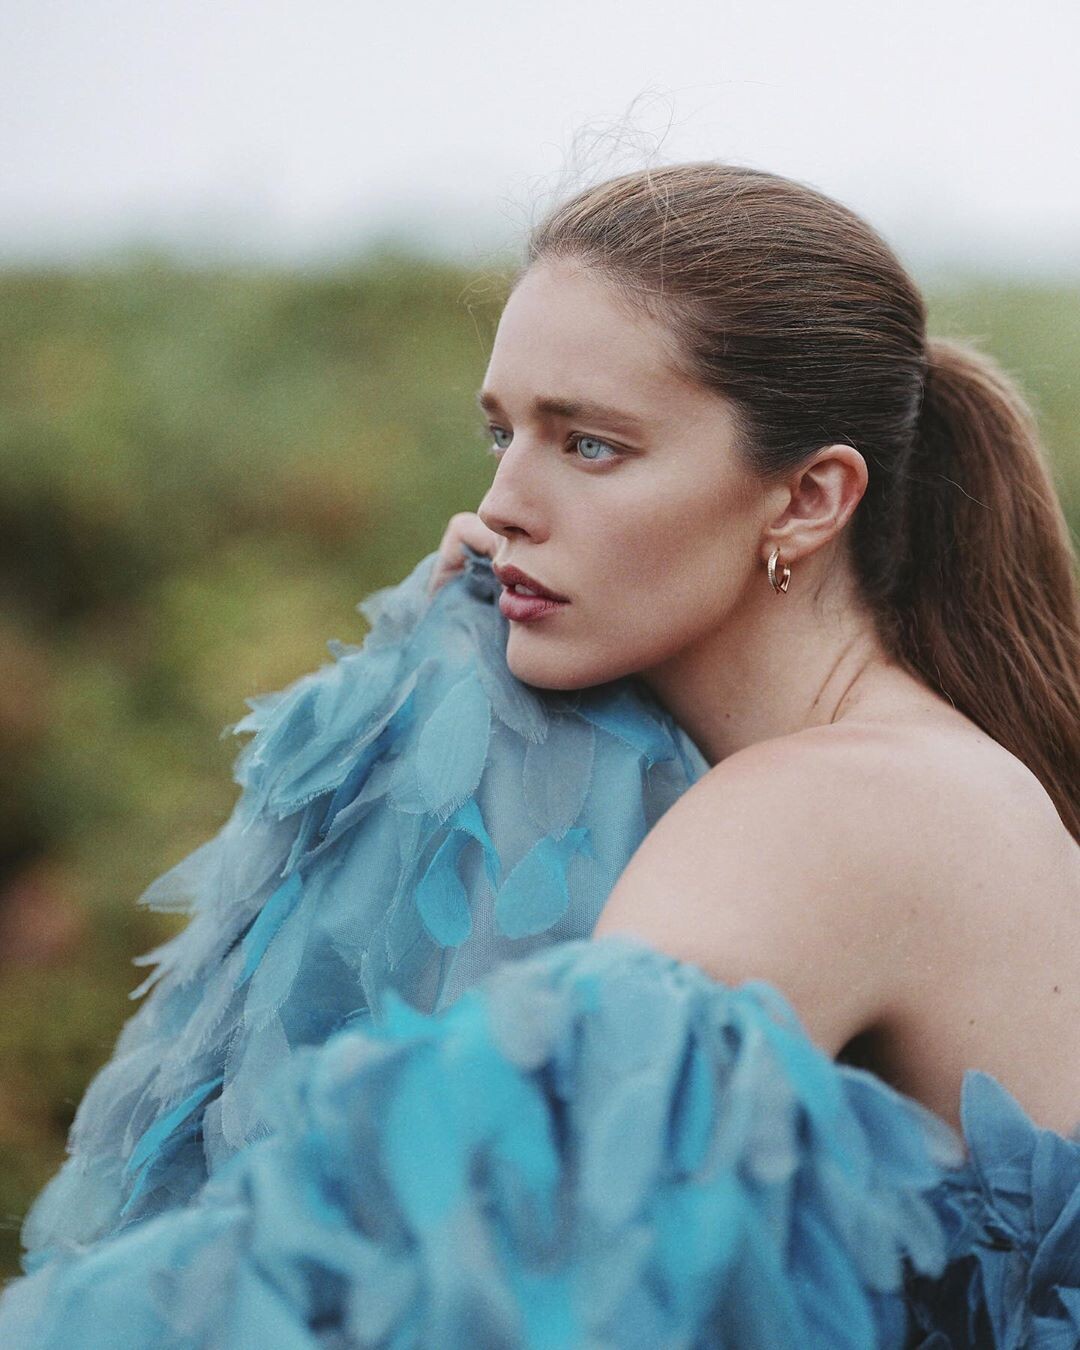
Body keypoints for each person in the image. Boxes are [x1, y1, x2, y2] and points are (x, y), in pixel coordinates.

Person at [1, 162, 1077, 1347]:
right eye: (503, 434)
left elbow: (493, 1257)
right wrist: (446, 662)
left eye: (592, 446)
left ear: (809, 499)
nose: (505, 502)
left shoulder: (820, 812)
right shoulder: (894, 766)